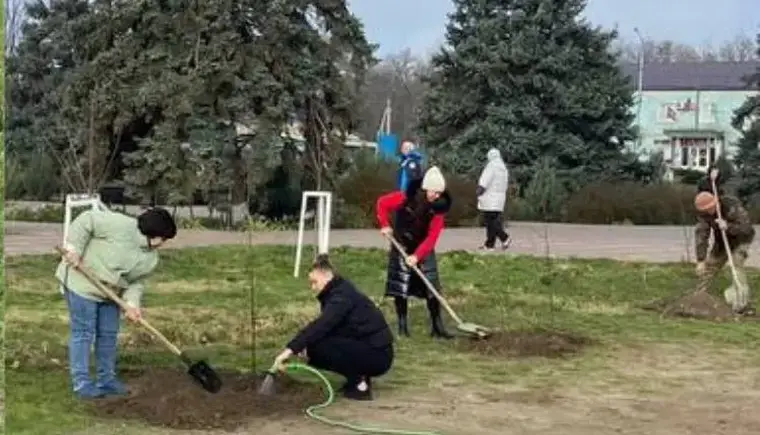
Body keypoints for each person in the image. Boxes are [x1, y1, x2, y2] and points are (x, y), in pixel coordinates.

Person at [56, 207, 177, 399]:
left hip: (111, 294)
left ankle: (106, 380)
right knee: (84, 332)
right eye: (163, 238)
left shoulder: (151, 259)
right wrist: (74, 249)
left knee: (108, 335)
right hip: (81, 283)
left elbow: (136, 282)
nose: (163, 243)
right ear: (153, 233)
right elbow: (86, 220)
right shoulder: (119, 225)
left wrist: (132, 304)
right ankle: (82, 383)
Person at [271, 255, 394, 401]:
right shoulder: (338, 291)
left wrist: (290, 350)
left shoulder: (341, 297)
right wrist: (302, 345)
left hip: (378, 355)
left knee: (317, 349)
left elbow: (321, 325)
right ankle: (358, 378)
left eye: (314, 282)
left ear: (326, 276)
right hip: (370, 348)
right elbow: (330, 328)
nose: (313, 287)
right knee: (317, 344)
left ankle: (360, 385)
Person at [376, 166, 454, 339]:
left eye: (439, 193)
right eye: (433, 191)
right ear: (425, 187)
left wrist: (417, 256)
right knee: (400, 287)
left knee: (432, 288)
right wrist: (384, 224)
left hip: (423, 248)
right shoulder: (405, 198)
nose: (435, 196)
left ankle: (437, 326)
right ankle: (403, 327)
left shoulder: (438, 210)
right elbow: (382, 203)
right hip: (401, 245)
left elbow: (432, 237)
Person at [693, 177, 756, 315]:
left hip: (741, 240)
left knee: (736, 264)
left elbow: (746, 228)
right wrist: (700, 260)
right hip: (722, 242)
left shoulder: (731, 205)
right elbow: (701, 235)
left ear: (715, 202)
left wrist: (727, 226)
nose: (709, 213)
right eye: (705, 211)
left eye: (710, 209)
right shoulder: (704, 215)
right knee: (710, 266)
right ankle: (697, 298)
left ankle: (741, 303)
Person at [476, 148, 511, 251]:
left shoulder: (491, 166)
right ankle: (489, 245)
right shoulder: (503, 168)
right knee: (493, 221)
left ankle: (505, 237)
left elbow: (485, 180)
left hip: (490, 198)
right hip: (499, 199)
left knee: (491, 222)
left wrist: (479, 191)